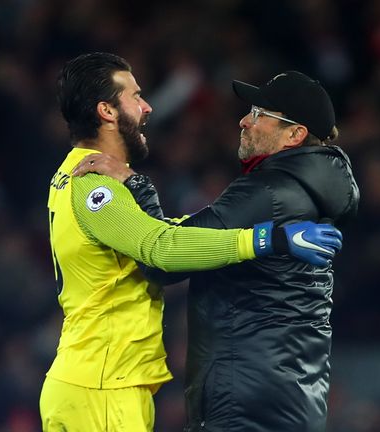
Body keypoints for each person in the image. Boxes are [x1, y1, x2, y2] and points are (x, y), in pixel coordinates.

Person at [41, 53, 344, 432]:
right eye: (135, 96)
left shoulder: (72, 174)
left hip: (99, 381)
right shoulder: (95, 184)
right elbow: (162, 250)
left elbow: (175, 234)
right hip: (102, 384)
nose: (148, 106)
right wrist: (268, 239)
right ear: (107, 111)